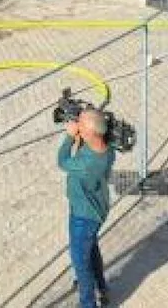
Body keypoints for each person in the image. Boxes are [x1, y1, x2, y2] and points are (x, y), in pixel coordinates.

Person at [59, 108, 116, 308]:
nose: (76, 126)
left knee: (81, 263)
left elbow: (63, 162)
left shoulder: (87, 163)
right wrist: (82, 130)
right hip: (96, 209)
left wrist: (68, 138)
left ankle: (88, 302)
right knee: (91, 250)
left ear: (91, 133)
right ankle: (101, 287)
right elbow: (88, 140)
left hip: (84, 216)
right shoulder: (106, 148)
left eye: (80, 125)